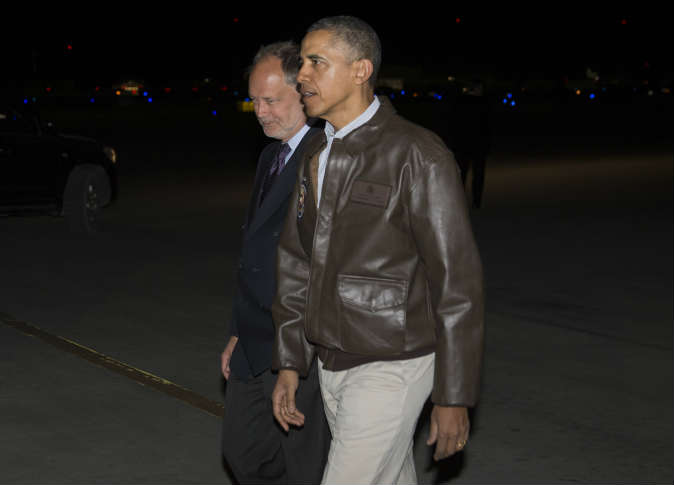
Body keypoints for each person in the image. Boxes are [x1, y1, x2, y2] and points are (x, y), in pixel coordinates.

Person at [270, 16, 485, 485]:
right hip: (331, 358)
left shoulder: (418, 155)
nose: (301, 75)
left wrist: (454, 394)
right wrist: (290, 360)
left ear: (360, 70)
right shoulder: (316, 154)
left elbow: (457, 283)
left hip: (394, 362)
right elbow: (296, 263)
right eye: (302, 63)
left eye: (316, 62)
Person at [220, 41, 330, 485]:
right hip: (253, 338)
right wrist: (237, 330)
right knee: (243, 452)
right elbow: (255, 254)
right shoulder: (271, 155)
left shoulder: (325, 157)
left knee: (304, 464)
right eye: (254, 101)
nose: (260, 112)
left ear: (303, 93)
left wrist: (294, 358)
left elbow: (319, 266)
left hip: (297, 342)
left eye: (270, 100)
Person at [451, 79, 490, 208]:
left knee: (462, 173)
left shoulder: (460, 103)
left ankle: (460, 200)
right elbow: (487, 127)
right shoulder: (483, 104)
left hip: (464, 144)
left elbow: (454, 124)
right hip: (478, 145)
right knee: (477, 174)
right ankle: (476, 200)